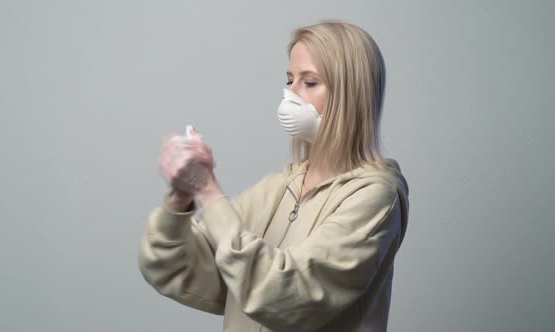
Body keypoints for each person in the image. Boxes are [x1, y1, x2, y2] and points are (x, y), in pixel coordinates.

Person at [138, 20, 410, 332]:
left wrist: (208, 191)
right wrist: (182, 196)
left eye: (309, 83)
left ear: (350, 96)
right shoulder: (277, 188)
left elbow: (285, 297)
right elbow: (174, 266)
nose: (289, 94)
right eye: (290, 80)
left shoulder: (374, 197)